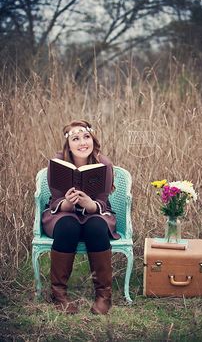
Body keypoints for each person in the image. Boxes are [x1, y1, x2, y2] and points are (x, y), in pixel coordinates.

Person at [42, 120, 120, 315]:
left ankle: (104, 296)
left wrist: (89, 205)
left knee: (95, 228)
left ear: (92, 139)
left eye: (86, 137)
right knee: (68, 226)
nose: (82, 142)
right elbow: (56, 198)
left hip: (95, 212)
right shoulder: (58, 162)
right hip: (63, 212)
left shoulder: (104, 163)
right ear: (68, 144)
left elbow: (102, 200)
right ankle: (59, 294)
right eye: (75, 138)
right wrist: (69, 202)